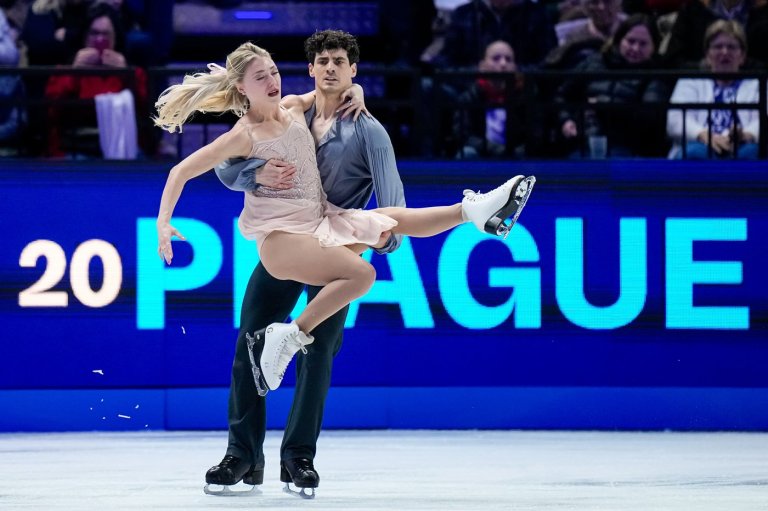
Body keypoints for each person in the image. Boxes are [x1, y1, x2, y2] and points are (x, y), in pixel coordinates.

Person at [153, 38, 535, 496]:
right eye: (322, 63)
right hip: (290, 239)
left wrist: (380, 237)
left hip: (330, 232)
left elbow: (392, 202)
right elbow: (215, 168)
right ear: (311, 69)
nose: (328, 70)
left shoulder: (366, 128)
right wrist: (249, 176)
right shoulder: (291, 109)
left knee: (321, 348)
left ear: (353, 70)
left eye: (339, 63)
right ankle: (242, 457)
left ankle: (298, 459)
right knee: (250, 346)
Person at [555, 14, 671, 157]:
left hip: (629, 148)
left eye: (643, 44)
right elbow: (562, 95)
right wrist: (566, 120)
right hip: (582, 141)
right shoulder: (594, 62)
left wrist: (604, 105)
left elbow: (650, 117)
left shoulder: (656, 75)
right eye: (630, 41)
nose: (635, 48)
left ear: (654, 47)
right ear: (619, 40)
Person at [43, 3, 147, 157]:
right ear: (84, 36)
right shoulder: (65, 70)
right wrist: (74, 73)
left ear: (116, 37)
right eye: (94, 33)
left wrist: (126, 73)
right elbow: (50, 112)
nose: (100, 39)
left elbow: (146, 111)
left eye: (106, 34)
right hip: (76, 148)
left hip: (123, 148)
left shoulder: (133, 72)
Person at [666, 19, 761, 159]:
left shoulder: (757, 84)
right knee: (695, 153)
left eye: (732, 47)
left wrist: (747, 134)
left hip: (744, 146)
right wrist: (704, 134)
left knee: (751, 153)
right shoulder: (690, 81)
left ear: (742, 56)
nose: (724, 52)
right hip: (700, 145)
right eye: (718, 46)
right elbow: (674, 121)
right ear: (707, 55)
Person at [453, 40, 526, 158]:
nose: (503, 64)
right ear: (482, 66)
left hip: (514, 155)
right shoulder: (470, 96)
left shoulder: (524, 96)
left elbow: (533, 135)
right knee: (467, 153)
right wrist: (494, 148)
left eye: (508, 59)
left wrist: (514, 151)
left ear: (515, 67)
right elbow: (463, 135)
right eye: (496, 58)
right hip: (482, 152)